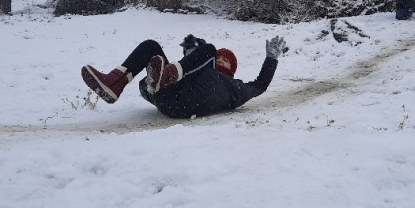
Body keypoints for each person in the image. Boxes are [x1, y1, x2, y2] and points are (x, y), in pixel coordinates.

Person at [81, 34, 287, 118]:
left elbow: (259, 86)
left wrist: (272, 59)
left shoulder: (234, 86)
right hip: (169, 98)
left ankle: (166, 76)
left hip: (192, 102)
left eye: (226, 61)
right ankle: (114, 83)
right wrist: (190, 53)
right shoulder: (203, 70)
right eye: (220, 59)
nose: (221, 62)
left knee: (208, 48)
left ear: (232, 70)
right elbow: (145, 86)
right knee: (150, 46)